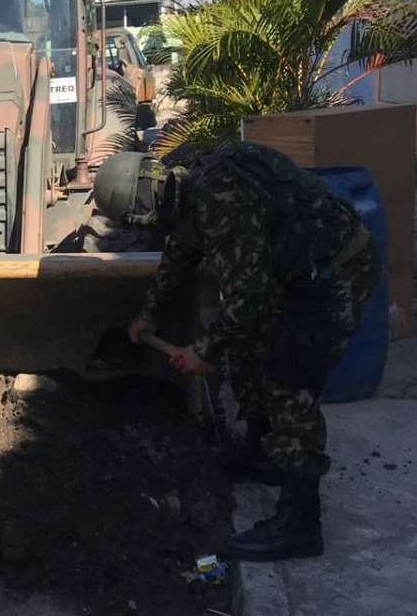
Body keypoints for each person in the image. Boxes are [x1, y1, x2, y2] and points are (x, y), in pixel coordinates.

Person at [95, 143, 380, 561]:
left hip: (334, 274)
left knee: (289, 379)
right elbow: (181, 252)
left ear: (140, 208)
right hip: (298, 274)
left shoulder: (219, 201)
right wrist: (148, 314)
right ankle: (260, 453)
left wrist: (202, 350)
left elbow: (249, 295)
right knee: (250, 350)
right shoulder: (187, 187)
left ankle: (300, 523)